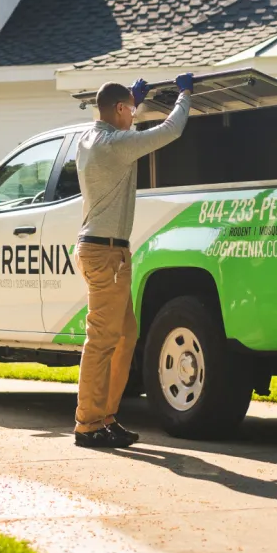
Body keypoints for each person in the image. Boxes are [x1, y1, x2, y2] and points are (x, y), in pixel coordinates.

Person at [72, 72, 193, 448]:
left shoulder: (90, 137)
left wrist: (133, 102)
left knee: (125, 336)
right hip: (106, 253)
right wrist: (185, 95)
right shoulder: (115, 145)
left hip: (107, 251)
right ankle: (88, 425)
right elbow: (169, 131)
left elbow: (120, 122)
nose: (133, 115)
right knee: (102, 341)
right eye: (130, 109)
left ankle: (105, 417)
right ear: (120, 109)